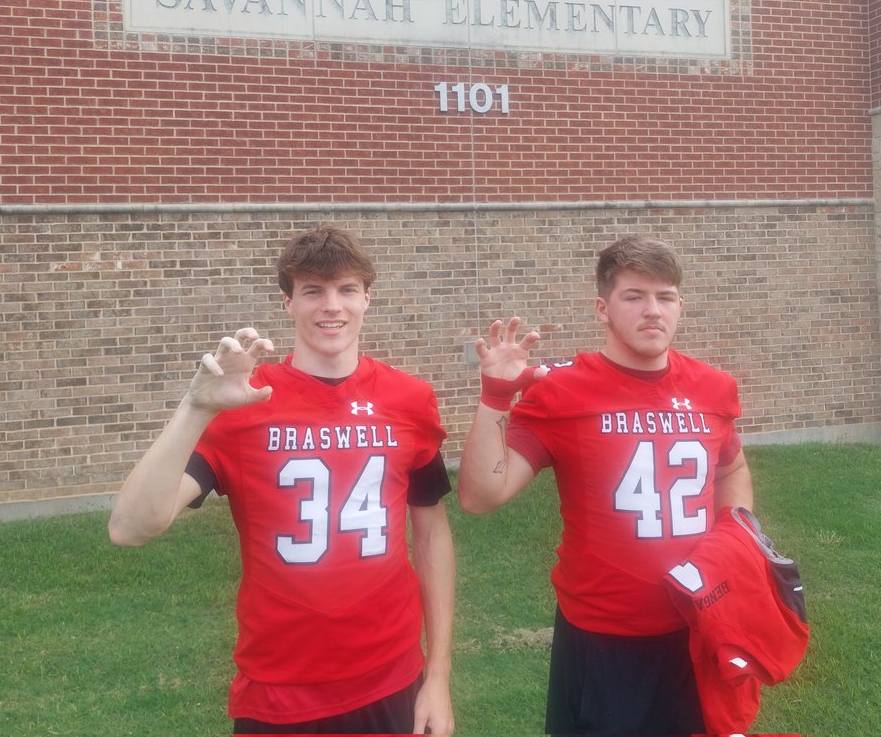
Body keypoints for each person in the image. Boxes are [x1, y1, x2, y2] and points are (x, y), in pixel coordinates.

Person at [109, 226, 455, 736]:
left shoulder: (410, 399)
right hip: (280, 692)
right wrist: (195, 409)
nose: (331, 306)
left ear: (367, 299)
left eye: (346, 289)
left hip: (393, 678)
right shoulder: (244, 402)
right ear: (288, 302)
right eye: (313, 290)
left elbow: (431, 537)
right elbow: (130, 528)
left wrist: (439, 678)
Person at [458, 235, 754, 735]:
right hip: (602, 635)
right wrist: (493, 399)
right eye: (634, 296)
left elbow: (731, 468)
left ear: (681, 304)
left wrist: (737, 540)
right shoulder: (563, 390)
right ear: (603, 308)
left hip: (699, 622)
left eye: (666, 297)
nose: (653, 311)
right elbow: (482, 495)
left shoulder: (713, 386)